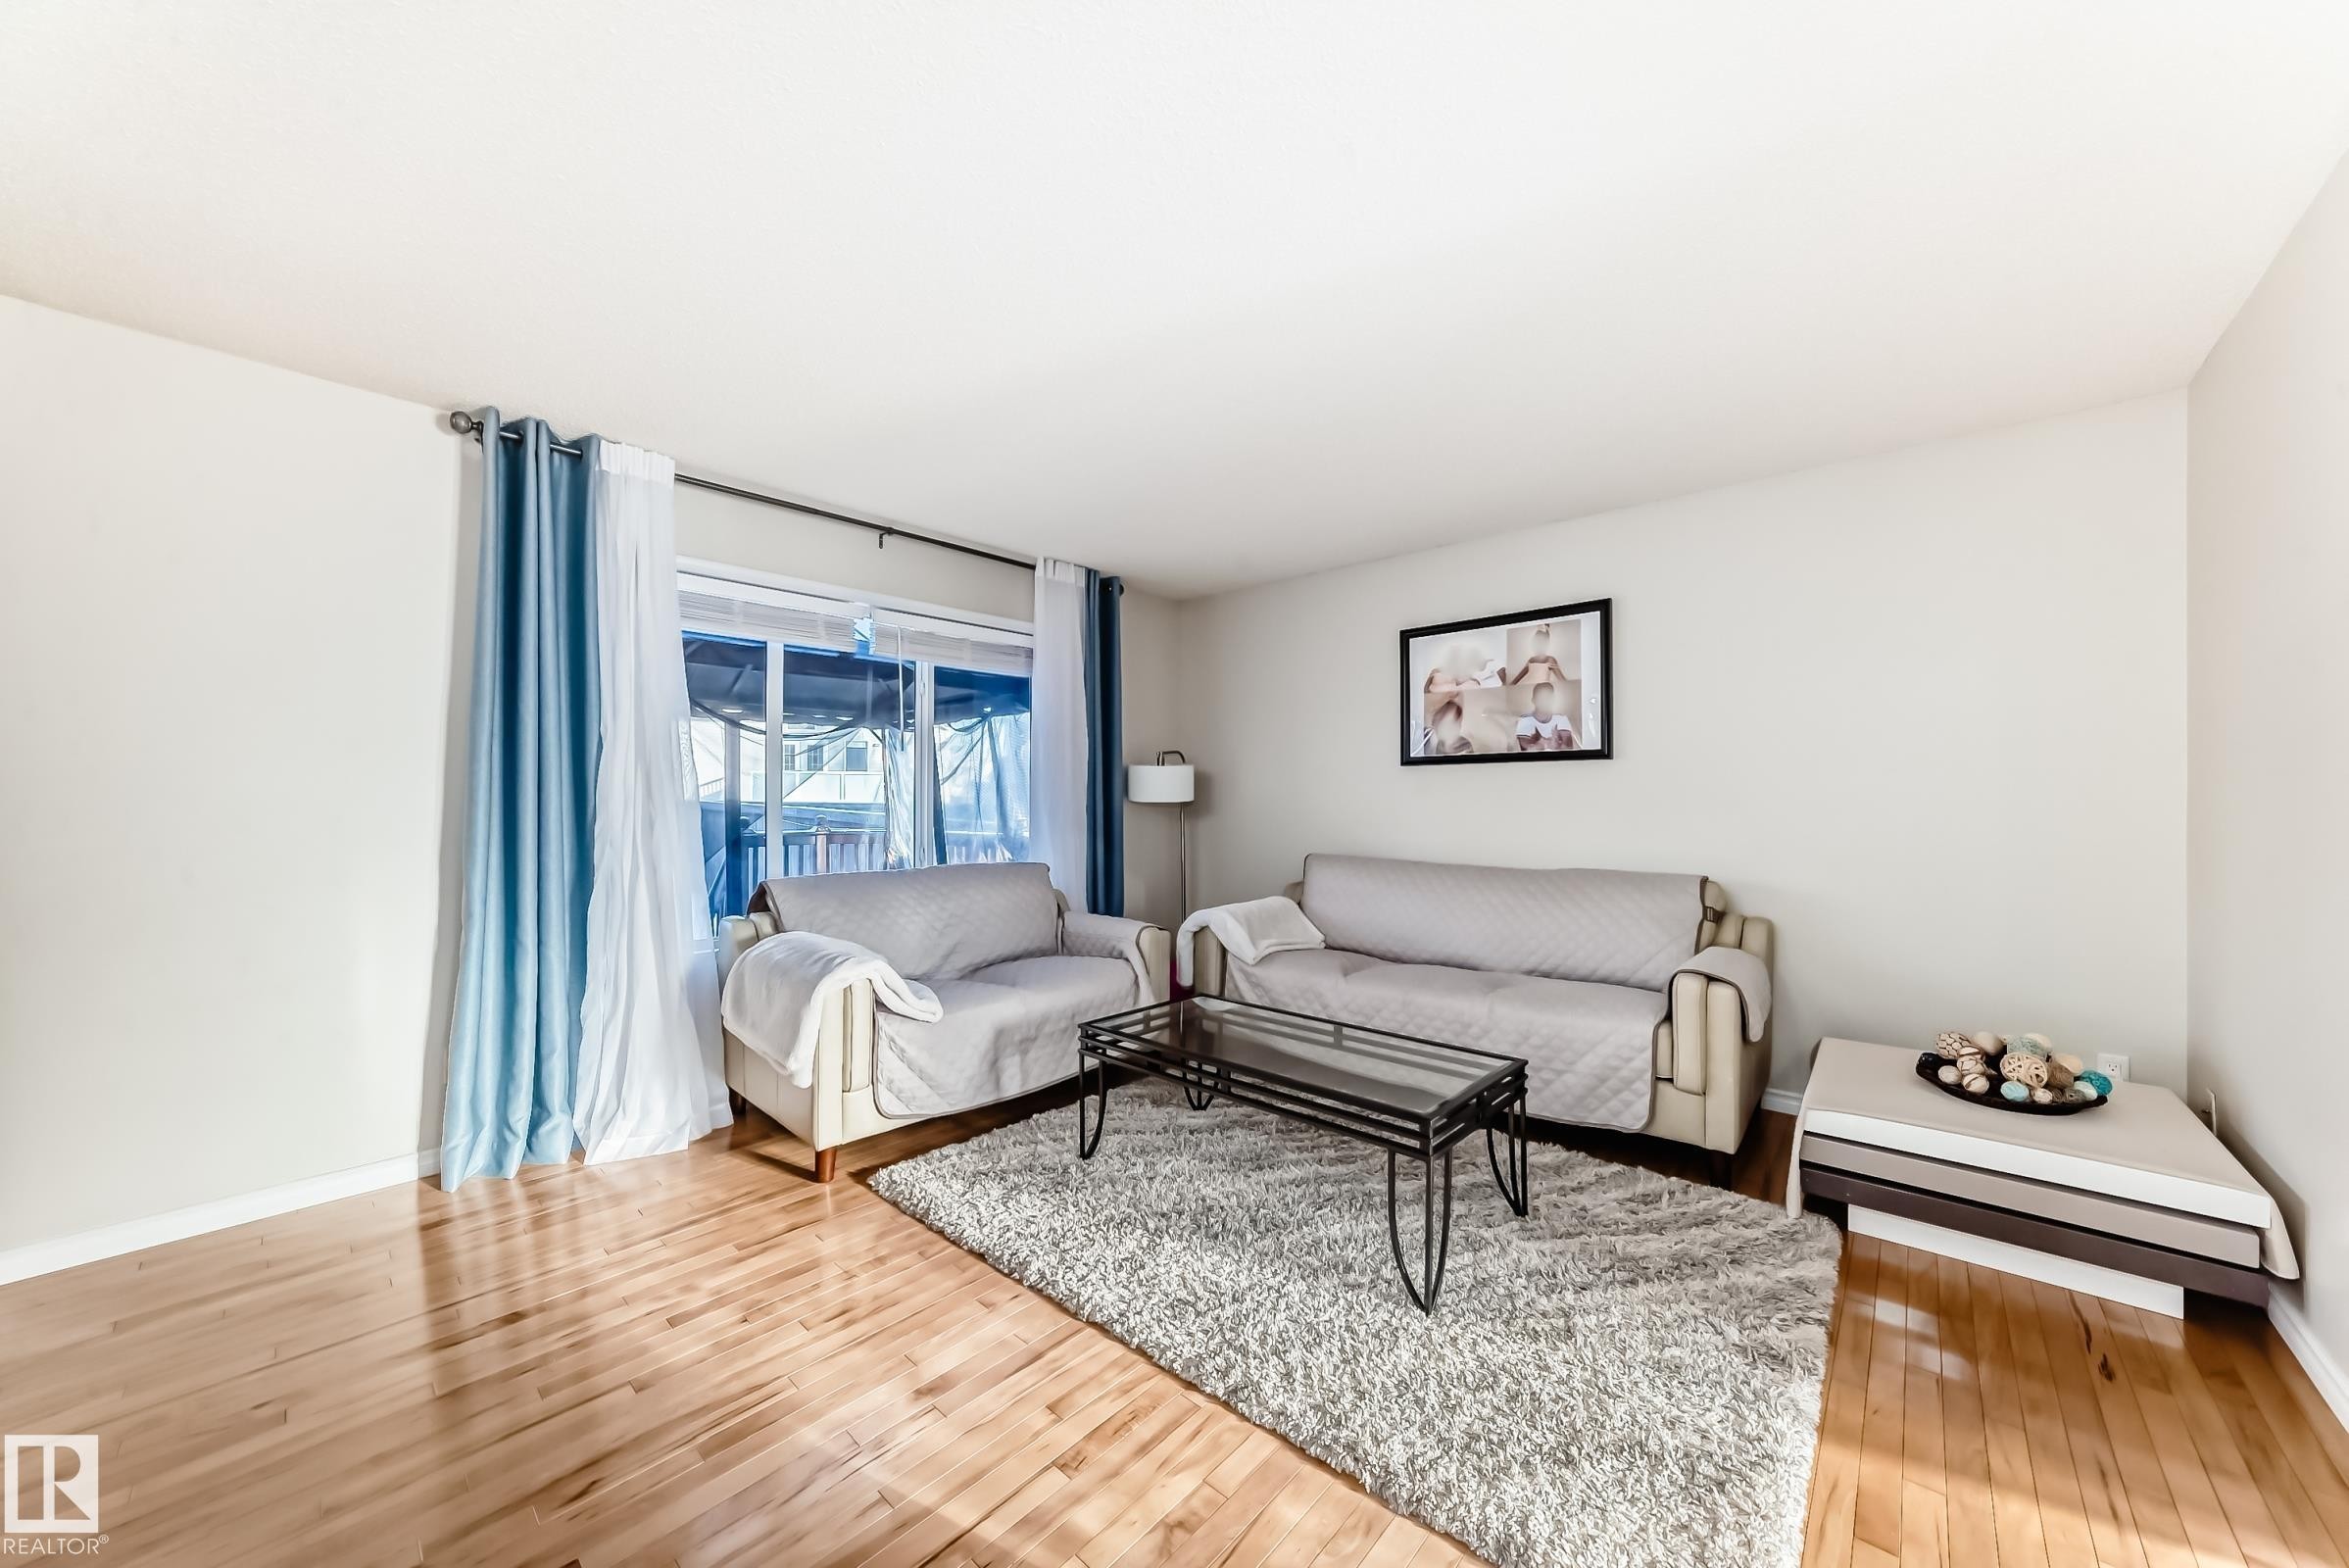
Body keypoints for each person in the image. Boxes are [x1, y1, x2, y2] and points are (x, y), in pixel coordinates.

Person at [1515, 682, 1578, 751]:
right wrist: (1541, 745)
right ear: (1533, 700)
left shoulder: (1562, 718)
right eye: (1541, 697)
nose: (1544, 701)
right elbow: (1525, 749)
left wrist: (1557, 745)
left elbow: (1568, 748)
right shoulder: (1524, 720)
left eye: (1548, 697)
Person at [1510, 623, 1569, 688]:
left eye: (1541, 642)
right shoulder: (1531, 660)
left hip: (1542, 691)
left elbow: (1563, 681)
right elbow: (1515, 680)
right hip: (1528, 690)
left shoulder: (1550, 660)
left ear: (1546, 643)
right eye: (1536, 642)